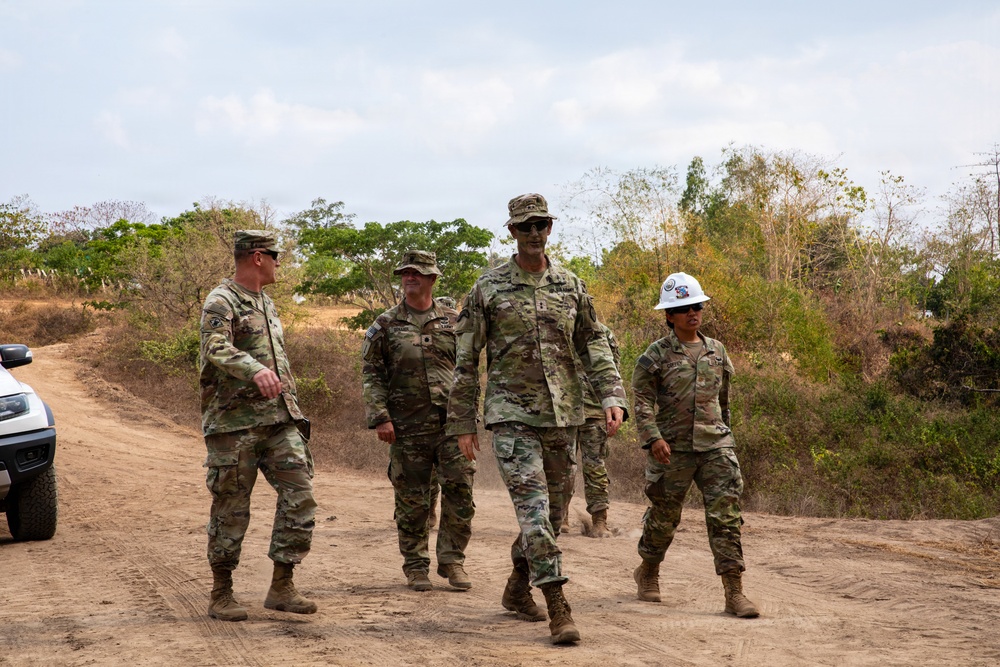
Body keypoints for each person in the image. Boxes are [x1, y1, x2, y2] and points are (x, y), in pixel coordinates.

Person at [447, 193, 628, 644]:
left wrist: (611, 394)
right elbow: (466, 360)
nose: (533, 233)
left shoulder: (571, 286)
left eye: (541, 224)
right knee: (535, 515)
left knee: (552, 511)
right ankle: (558, 606)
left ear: (550, 228)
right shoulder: (488, 289)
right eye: (525, 226)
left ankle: (515, 587)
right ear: (511, 231)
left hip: (563, 417)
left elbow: (594, 344)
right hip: (511, 417)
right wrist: (462, 422)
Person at [199, 230, 317, 622]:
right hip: (234, 425)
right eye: (276, 255)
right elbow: (214, 347)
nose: (281, 263)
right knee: (231, 509)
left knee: (300, 495)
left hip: (280, 420)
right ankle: (221, 593)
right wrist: (254, 371)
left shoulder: (267, 303)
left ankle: (282, 585)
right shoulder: (222, 299)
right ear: (257, 257)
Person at [631, 272, 759, 618]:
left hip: (716, 445)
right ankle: (649, 571)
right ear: (669, 315)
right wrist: (653, 437)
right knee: (664, 517)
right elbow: (641, 401)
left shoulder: (717, 351)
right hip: (672, 449)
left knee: (726, 517)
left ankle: (734, 592)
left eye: (697, 306)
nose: (693, 313)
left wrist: (727, 437)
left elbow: (724, 401)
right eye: (684, 308)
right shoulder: (654, 356)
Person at [362, 250, 476, 592]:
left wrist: (469, 419)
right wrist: (380, 417)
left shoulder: (454, 323)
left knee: (461, 491)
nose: (410, 277)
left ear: (432, 278)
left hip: (451, 426)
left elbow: (468, 373)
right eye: (405, 272)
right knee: (412, 500)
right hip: (406, 426)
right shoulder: (385, 324)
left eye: (417, 272)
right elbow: (371, 373)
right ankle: (415, 566)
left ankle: (452, 561)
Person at [570, 321, 620, 538]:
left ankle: (600, 521)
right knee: (560, 467)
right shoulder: (558, 327)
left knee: (595, 467)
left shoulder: (602, 333)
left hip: (594, 409)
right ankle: (560, 516)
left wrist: (613, 404)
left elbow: (612, 370)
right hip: (562, 410)